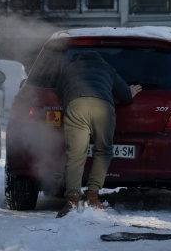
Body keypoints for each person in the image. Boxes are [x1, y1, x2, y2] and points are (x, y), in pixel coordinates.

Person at [55, 51, 142, 218]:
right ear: (99, 60)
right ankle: (93, 197)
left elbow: (60, 93)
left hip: (76, 106)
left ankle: (72, 200)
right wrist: (129, 92)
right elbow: (125, 96)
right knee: (103, 151)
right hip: (103, 107)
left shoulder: (69, 69)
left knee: (75, 155)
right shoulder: (107, 68)